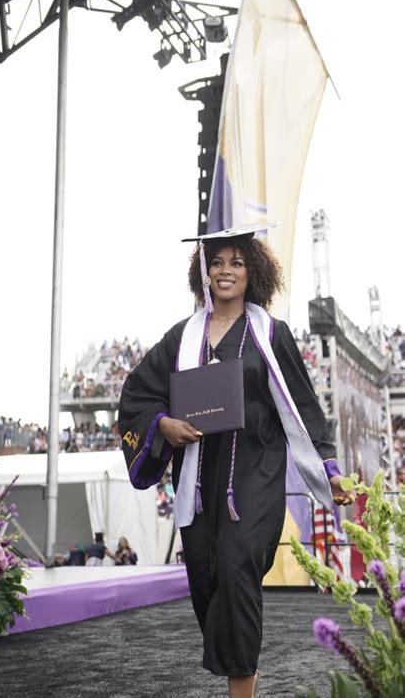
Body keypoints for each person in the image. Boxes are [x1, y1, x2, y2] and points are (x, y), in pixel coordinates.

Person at [118, 224, 354, 698]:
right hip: (200, 476)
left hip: (255, 468)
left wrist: (328, 467)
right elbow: (137, 395)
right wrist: (162, 423)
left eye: (237, 263)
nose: (226, 271)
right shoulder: (182, 337)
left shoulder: (270, 334)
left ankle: (240, 686)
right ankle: (241, 670)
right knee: (208, 577)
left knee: (235, 564)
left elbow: (305, 405)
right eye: (218, 262)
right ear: (204, 271)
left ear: (253, 272)